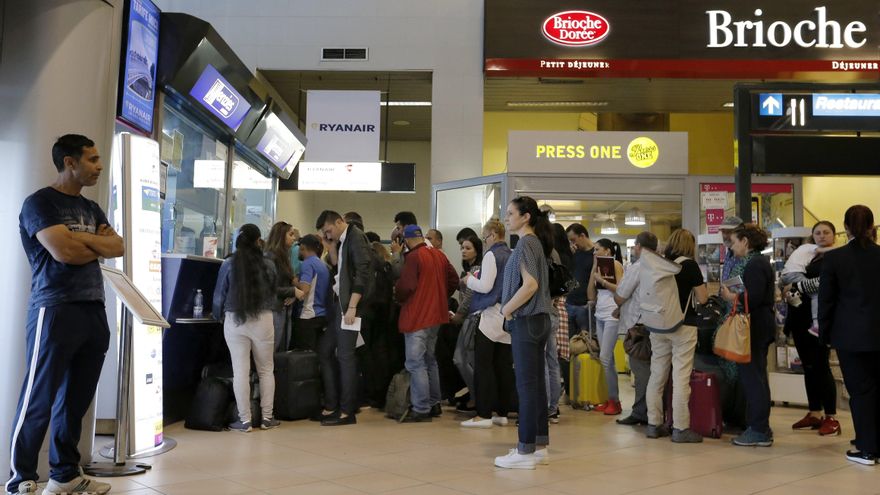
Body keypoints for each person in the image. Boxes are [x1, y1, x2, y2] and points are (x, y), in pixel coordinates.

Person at [7, 135, 123, 495]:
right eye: (92, 159)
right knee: (38, 398)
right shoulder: (40, 203)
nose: (99, 165)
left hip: (93, 309)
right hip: (54, 308)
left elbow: (117, 245)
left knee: (75, 402)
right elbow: (64, 253)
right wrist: (94, 244)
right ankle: (21, 478)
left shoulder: (91, 208)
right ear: (70, 162)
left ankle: (65, 475)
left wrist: (81, 241)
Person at [494, 196, 554, 470]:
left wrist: (506, 308)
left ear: (525, 216)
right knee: (536, 384)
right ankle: (538, 444)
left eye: (510, 213)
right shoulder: (533, 243)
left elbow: (530, 285)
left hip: (527, 320)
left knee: (527, 386)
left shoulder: (527, 243)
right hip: (538, 320)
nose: (506, 218)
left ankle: (525, 449)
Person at [819, 205, 880, 466]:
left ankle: (867, 448)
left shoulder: (834, 259)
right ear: (872, 226)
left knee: (860, 391)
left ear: (844, 228)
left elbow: (827, 301)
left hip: (849, 335)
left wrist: (824, 334)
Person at [213, 224, 280, 433]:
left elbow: (219, 295)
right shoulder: (269, 264)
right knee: (266, 370)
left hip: (235, 320)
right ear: (259, 240)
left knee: (240, 372)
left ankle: (244, 421)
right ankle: (267, 418)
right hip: (264, 319)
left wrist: (218, 315)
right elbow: (274, 292)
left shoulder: (229, 264)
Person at [644, 229, 708, 443]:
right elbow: (703, 298)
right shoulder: (689, 265)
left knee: (657, 375)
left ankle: (654, 424)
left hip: (658, 325)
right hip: (683, 325)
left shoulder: (660, 264)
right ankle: (681, 428)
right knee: (680, 377)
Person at [315, 210, 374, 426]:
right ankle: (333, 404)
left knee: (346, 357)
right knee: (326, 350)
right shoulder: (343, 240)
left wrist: (352, 306)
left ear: (340, 222)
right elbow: (338, 267)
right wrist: (329, 244)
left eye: (329, 230)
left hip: (350, 307)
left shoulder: (355, 236)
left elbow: (363, 271)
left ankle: (347, 411)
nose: (328, 234)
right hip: (340, 305)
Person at [781, 221, 841, 436]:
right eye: (817, 232)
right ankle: (814, 412)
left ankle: (831, 416)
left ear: (834, 235)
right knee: (808, 367)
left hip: (820, 322)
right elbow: (788, 283)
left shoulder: (837, 258)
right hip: (799, 317)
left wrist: (797, 286)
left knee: (821, 366)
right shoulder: (808, 255)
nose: (822, 236)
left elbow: (826, 283)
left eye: (826, 232)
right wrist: (788, 289)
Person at [395, 225, 459, 422]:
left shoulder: (414, 257)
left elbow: (406, 286)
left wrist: (397, 295)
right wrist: (440, 296)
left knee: (415, 363)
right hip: (436, 316)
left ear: (405, 241)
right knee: (430, 360)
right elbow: (454, 280)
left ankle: (421, 408)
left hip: (418, 315)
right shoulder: (439, 255)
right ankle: (434, 403)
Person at [720, 224, 775, 447]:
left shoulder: (754, 264)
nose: (732, 248)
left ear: (745, 241)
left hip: (754, 328)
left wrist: (730, 297)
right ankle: (760, 426)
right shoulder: (757, 263)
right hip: (759, 326)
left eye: (734, 242)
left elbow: (752, 298)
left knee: (753, 379)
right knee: (757, 377)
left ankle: (758, 429)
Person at [460, 221, 518, 428]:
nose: (484, 242)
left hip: (491, 314)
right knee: (503, 366)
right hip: (509, 314)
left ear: (493, 235)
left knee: (483, 366)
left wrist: (469, 280)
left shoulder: (492, 255)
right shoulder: (512, 254)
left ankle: (483, 414)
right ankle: (501, 413)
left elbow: (485, 286)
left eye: (484, 237)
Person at [614, 231, 659, 426]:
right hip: (658, 324)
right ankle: (653, 412)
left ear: (639, 247)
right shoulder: (661, 265)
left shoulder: (637, 267)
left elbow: (621, 295)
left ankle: (641, 412)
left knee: (640, 370)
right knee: (655, 370)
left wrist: (619, 303)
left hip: (638, 327)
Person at [586, 238, 625, 416]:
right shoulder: (597, 269)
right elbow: (590, 294)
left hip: (612, 315)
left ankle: (614, 400)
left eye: (597, 249)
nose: (594, 252)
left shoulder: (615, 265)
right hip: (599, 314)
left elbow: (621, 290)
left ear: (608, 251)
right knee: (607, 359)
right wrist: (594, 271)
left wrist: (602, 281)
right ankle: (611, 398)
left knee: (605, 358)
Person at [447, 235, 482, 408]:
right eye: (462, 247)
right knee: (465, 359)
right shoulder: (469, 270)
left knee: (462, 359)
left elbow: (469, 297)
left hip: (472, 318)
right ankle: (476, 396)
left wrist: (459, 315)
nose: (463, 251)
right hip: (469, 317)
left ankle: (477, 396)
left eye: (468, 248)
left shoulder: (476, 270)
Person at [547, 223, 572, 420]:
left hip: (550, 307)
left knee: (546, 360)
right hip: (562, 307)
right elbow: (573, 284)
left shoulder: (550, 254)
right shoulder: (570, 257)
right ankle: (554, 406)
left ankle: (548, 405)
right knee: (555, 361)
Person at [292, 234, 330, 352]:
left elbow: (304, 290)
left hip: (307, 316)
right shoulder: (322, 265)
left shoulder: (307, 264)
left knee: (304, 359)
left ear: (303, 247)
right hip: (321, 315)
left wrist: (294, 282)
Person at [265, 221, 297, 352]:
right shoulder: (269, 258)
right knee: (270, 351)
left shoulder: (284, 257)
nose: (294, 238)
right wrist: (293, 291)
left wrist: (292, 295)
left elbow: (287, 282)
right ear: (281, 235)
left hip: (282, 309)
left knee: (280, 351)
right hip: (272, 310)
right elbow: (269, 288)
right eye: (291, 234)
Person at [564, 224, 595, 341]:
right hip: (569, 303)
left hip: (585, 306)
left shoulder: (595, 254)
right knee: (569, 344)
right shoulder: (574, 253)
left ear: (582, 235)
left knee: (585, 343)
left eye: (573, 240)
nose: (573, 244)